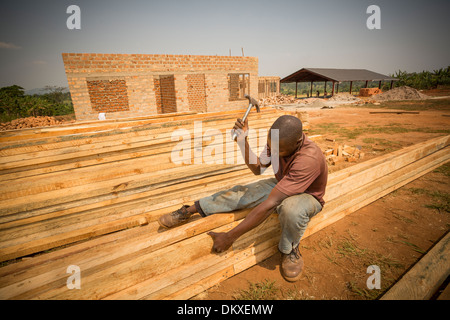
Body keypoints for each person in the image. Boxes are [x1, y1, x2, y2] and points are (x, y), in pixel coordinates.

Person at [158, 115, 328, 282]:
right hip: (285, 184)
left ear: (297, 143)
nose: (274, 151)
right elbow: (258, 168)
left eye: (279, 151)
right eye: (272, 147)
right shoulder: (277, 141)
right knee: (243, 192)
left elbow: (271, 204)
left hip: (307, 195)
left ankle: (290, 250)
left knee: (291, 209)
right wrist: (242, 140)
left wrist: (229, 237)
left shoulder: (308, 158)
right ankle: (189, 210)